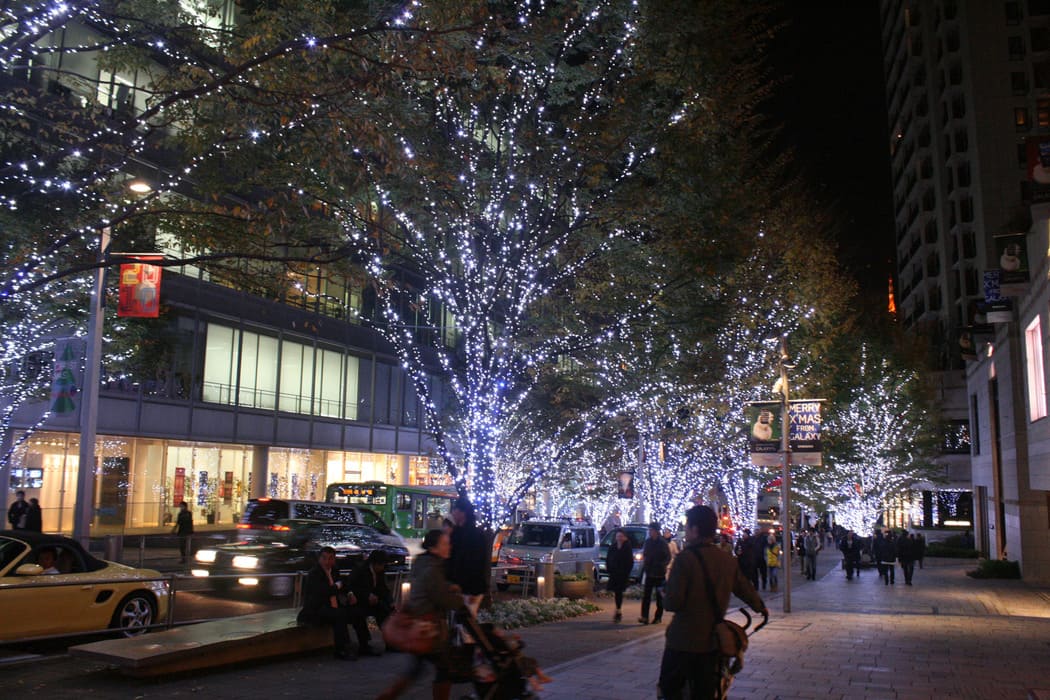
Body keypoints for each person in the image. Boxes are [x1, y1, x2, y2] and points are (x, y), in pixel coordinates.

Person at [658, 505, 768, 700]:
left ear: (694, 529)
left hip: (683, 639)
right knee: (705, 692)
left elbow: (673, 603)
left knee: (669, 689)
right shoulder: (727, 560)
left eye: (687, 526)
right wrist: (760, 607)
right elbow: (744, 588)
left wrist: (664, 594)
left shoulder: (684, 560)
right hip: (713, 640)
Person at [376, 529, 468, 700]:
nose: (449, 547)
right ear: (434, 548)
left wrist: (448, 587)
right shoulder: (432, 569)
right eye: (445, 544)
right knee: (443, 669)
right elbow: (440, 597)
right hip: (429, 628)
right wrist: (460, 600)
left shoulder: (423, 563)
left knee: (418, 669)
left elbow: (432, 587)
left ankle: (388, 695)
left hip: (421, 625)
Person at [297, 546, 357, 659]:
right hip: (316, 609)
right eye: (324, 558)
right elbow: (324, 591)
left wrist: (349, 593)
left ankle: (360, 643)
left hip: (332, 607)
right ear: (319, 559)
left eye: (330, 558)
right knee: (340, 615)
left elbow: (343, 583)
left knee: (354, 611)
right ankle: (341, 649)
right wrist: (337, 586)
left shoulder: (334, 570)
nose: (327, 562)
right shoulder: (314, 574)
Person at [348, 549, 393, 655]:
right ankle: (364, 645)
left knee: (385, 611)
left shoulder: (380, 572)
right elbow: (352, 587)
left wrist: (390, 602)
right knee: (358, 615)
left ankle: (390, 641)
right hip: (359, 602)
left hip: (373, 602)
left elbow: (383, 589)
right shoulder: (360, 570)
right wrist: (367, 595)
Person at [639, 522, 671, 625]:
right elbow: (645, 554)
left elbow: (668, 557)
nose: (650, 532)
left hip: (659, 573)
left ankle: (658, 617)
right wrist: (646, 563)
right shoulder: (648, 542)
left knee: (659, 597)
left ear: (656, 531)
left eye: (651, 530)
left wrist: (662, 565)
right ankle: (644, 616)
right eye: (650, 530)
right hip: (649, 572)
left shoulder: (662, 543)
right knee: (646, 596)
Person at [605, 528, 634, 623]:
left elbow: (630, 561)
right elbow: (608, 558)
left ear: (625, 537)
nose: (619, 538)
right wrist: (609, 569)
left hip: (623, 574)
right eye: (618, 536)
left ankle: (618, 611)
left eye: (621, 536)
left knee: (619, 592)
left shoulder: (627, 547)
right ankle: (618, 610)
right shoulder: (613, 547)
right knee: (617, 592)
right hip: (614, 573)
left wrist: (626, 572)